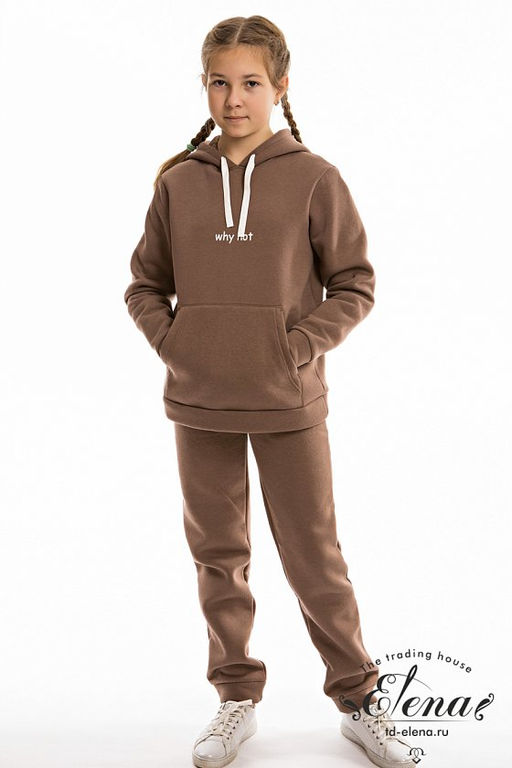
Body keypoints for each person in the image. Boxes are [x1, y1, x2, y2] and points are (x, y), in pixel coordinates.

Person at [124, 14, 415, 768]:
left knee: (314, 556)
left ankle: (358, 700)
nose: (234, 99)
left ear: (281, 87)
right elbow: (145, 285)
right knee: (218, 555)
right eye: (219, 82)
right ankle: (235, 698)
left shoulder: (314, 178)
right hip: (200, 404)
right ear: (204, 86)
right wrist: (177, 344)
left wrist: (296, 347)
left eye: (251, 83)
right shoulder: (178, 184)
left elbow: (354, 284)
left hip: (289, 402)